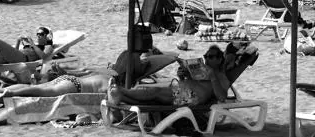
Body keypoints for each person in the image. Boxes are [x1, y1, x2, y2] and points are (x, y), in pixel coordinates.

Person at [106, 44, 255, 107]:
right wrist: (184, 75)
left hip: (192, 97)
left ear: (219, 59)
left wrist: (213, 77)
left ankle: (122, 92)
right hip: (182, 89)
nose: (207, 58)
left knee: (155, 93)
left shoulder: (221, 76)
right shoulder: (203, 69)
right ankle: (121, 96)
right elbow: (193, 81)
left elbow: (222, 97)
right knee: (155, 95)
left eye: (211, 56)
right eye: (206, 56)